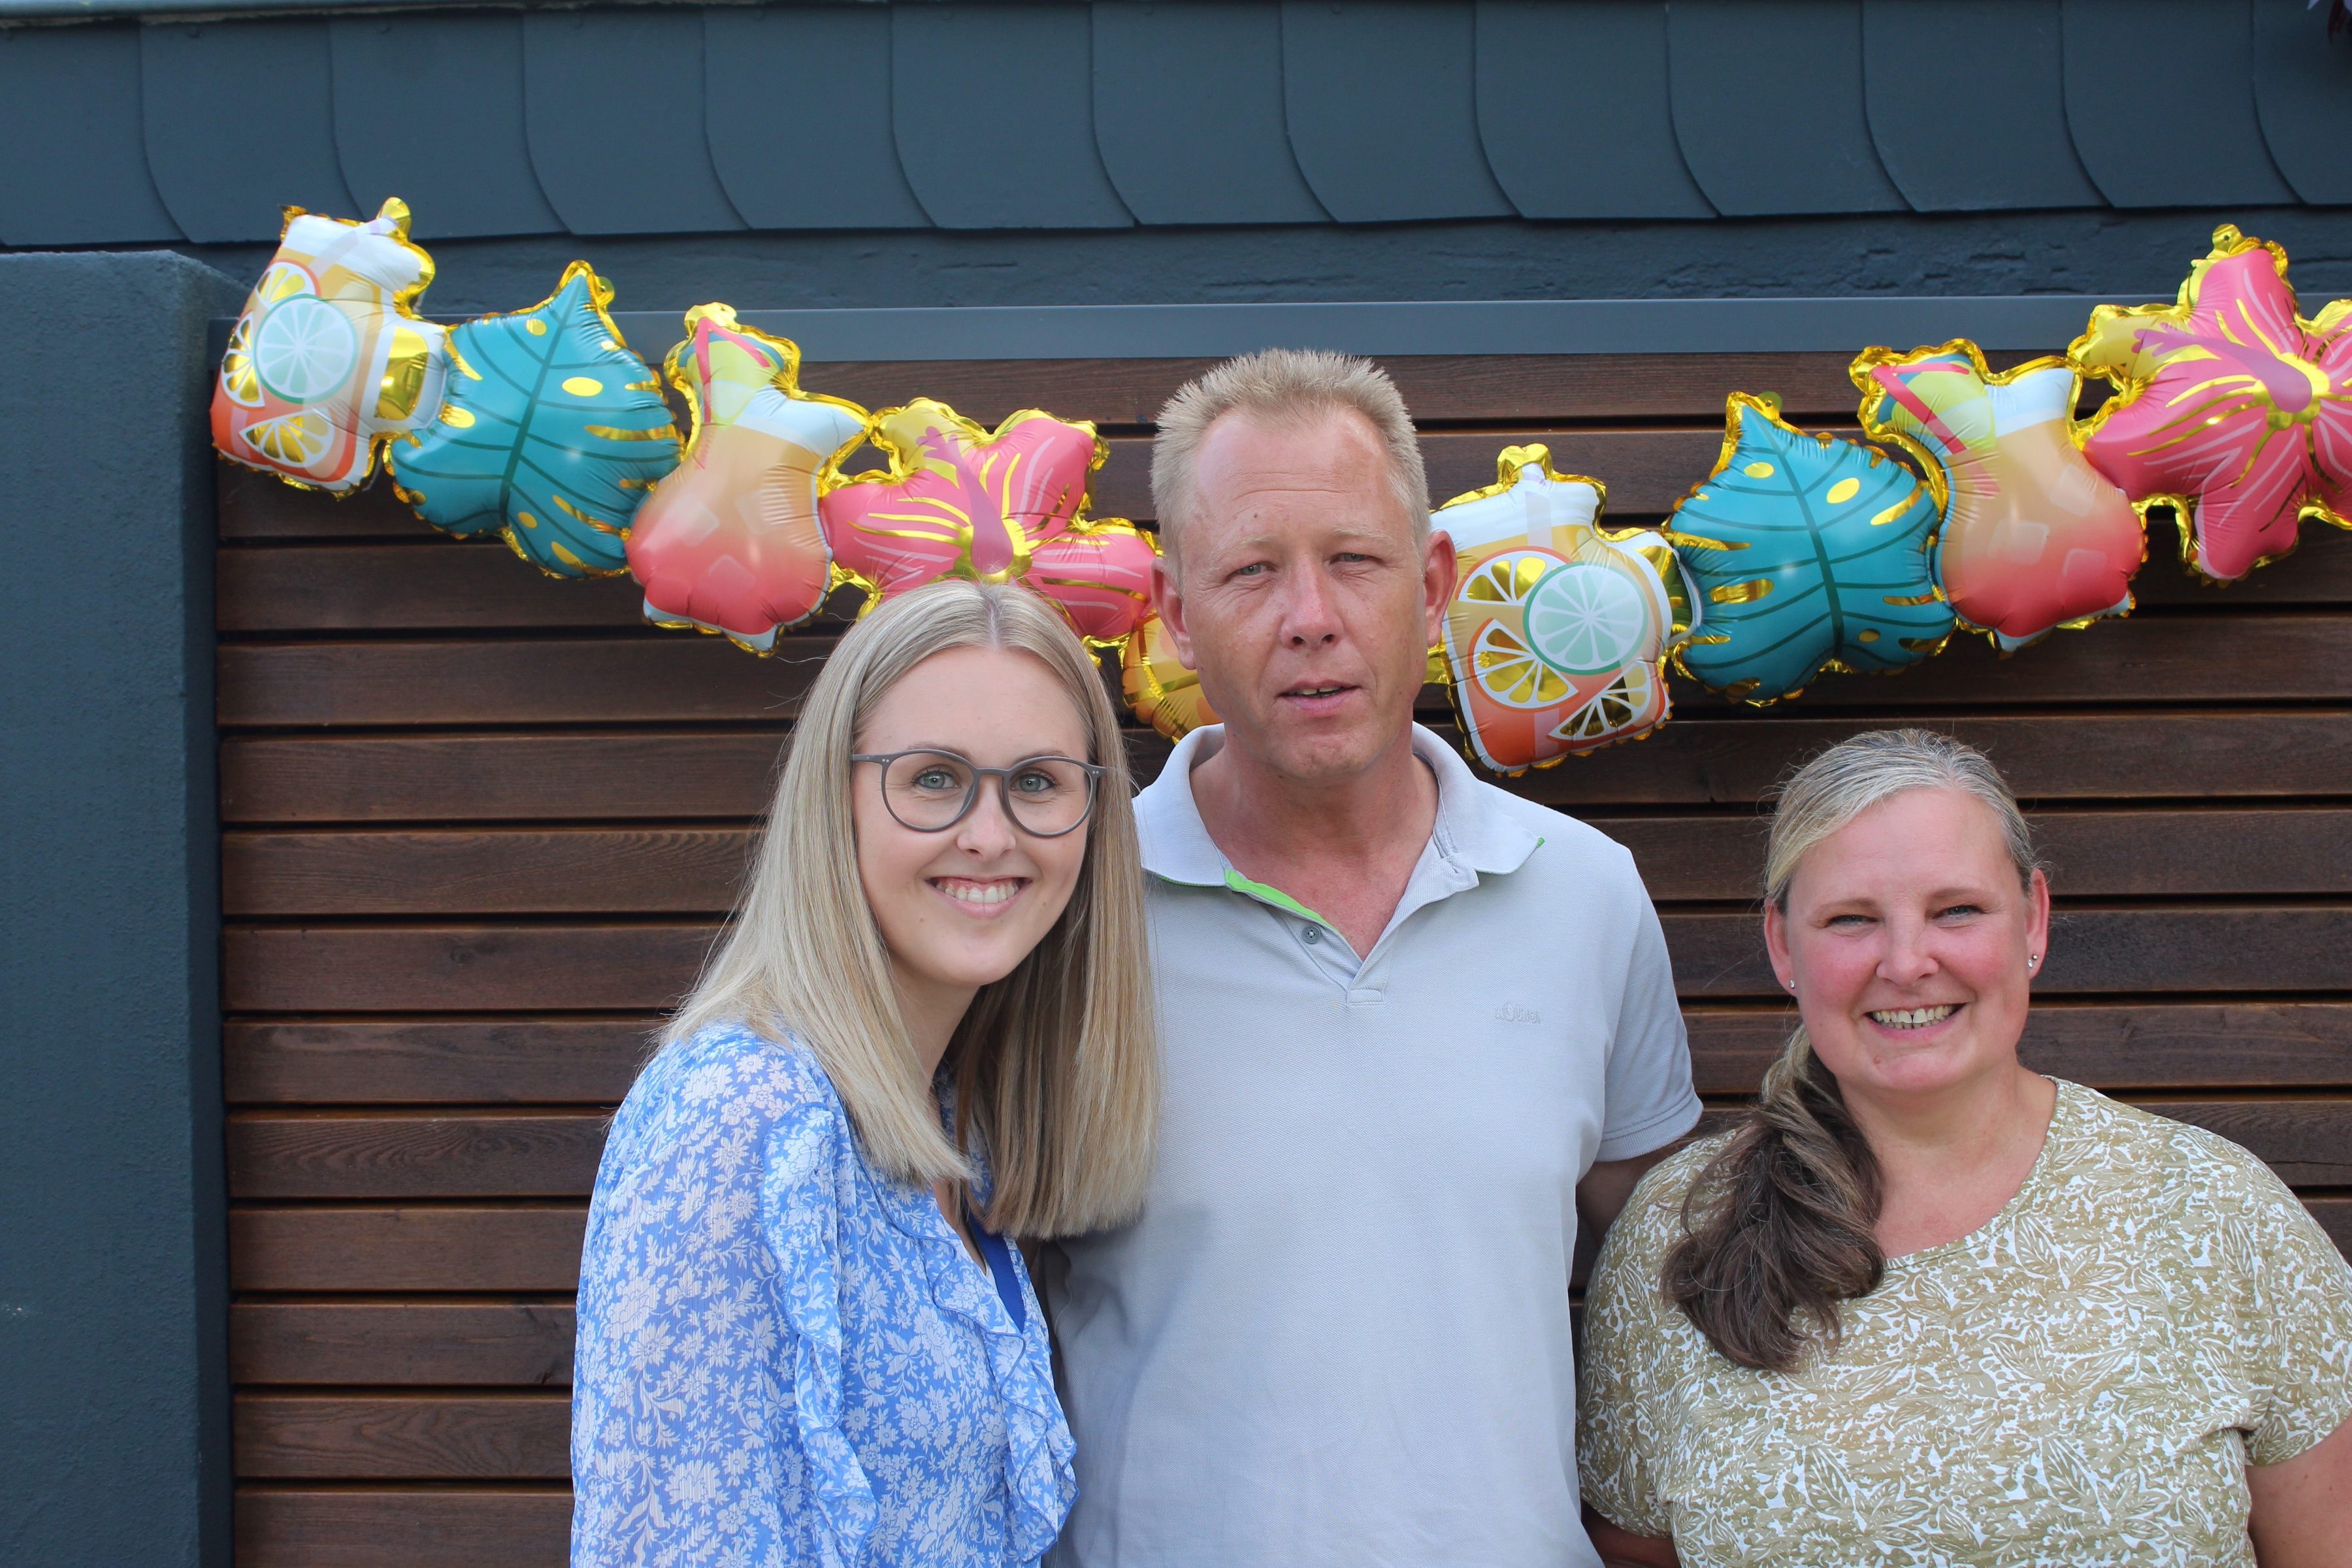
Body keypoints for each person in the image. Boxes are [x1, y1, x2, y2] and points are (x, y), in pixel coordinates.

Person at [1043, 348, 1701, 1567]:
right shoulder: (1070, 911)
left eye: (1354, 558)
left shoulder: (1587, 895)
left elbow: (1661, 1283)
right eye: (1251, 570)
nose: (1312, 616)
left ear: (1433, 582)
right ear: (1176, 612)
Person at [1578, 728, 2352, 1567]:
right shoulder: (1679, 1231)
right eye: (1851, 919)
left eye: (1956, 910)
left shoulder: (2214, 1211)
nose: (1907, 962)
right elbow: (1630, 1550)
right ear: (1782, 944)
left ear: (2034, 918)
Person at [569, 579, 1158, 1567]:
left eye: (1037, 782)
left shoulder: (949, 1118)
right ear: (834, 799)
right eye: (932, 778)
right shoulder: (743, 1117)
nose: (990, 835)